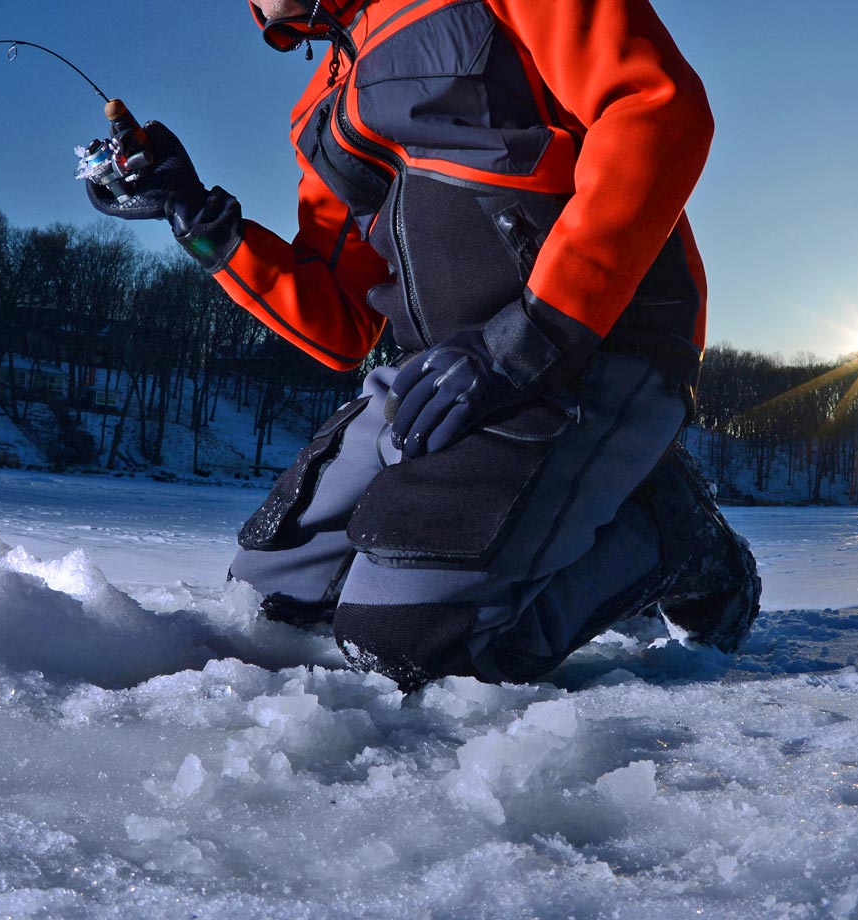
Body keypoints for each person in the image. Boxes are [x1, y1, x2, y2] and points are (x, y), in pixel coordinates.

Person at [83, 0, 761, 690]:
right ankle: (577, 508)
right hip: (442, 376)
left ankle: (667, 535)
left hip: (589, 348)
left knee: (413, 647)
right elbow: (343, 323)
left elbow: (656, 108)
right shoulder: (321, 107)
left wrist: (529, 337)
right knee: (269, 613)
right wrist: (197, 219)